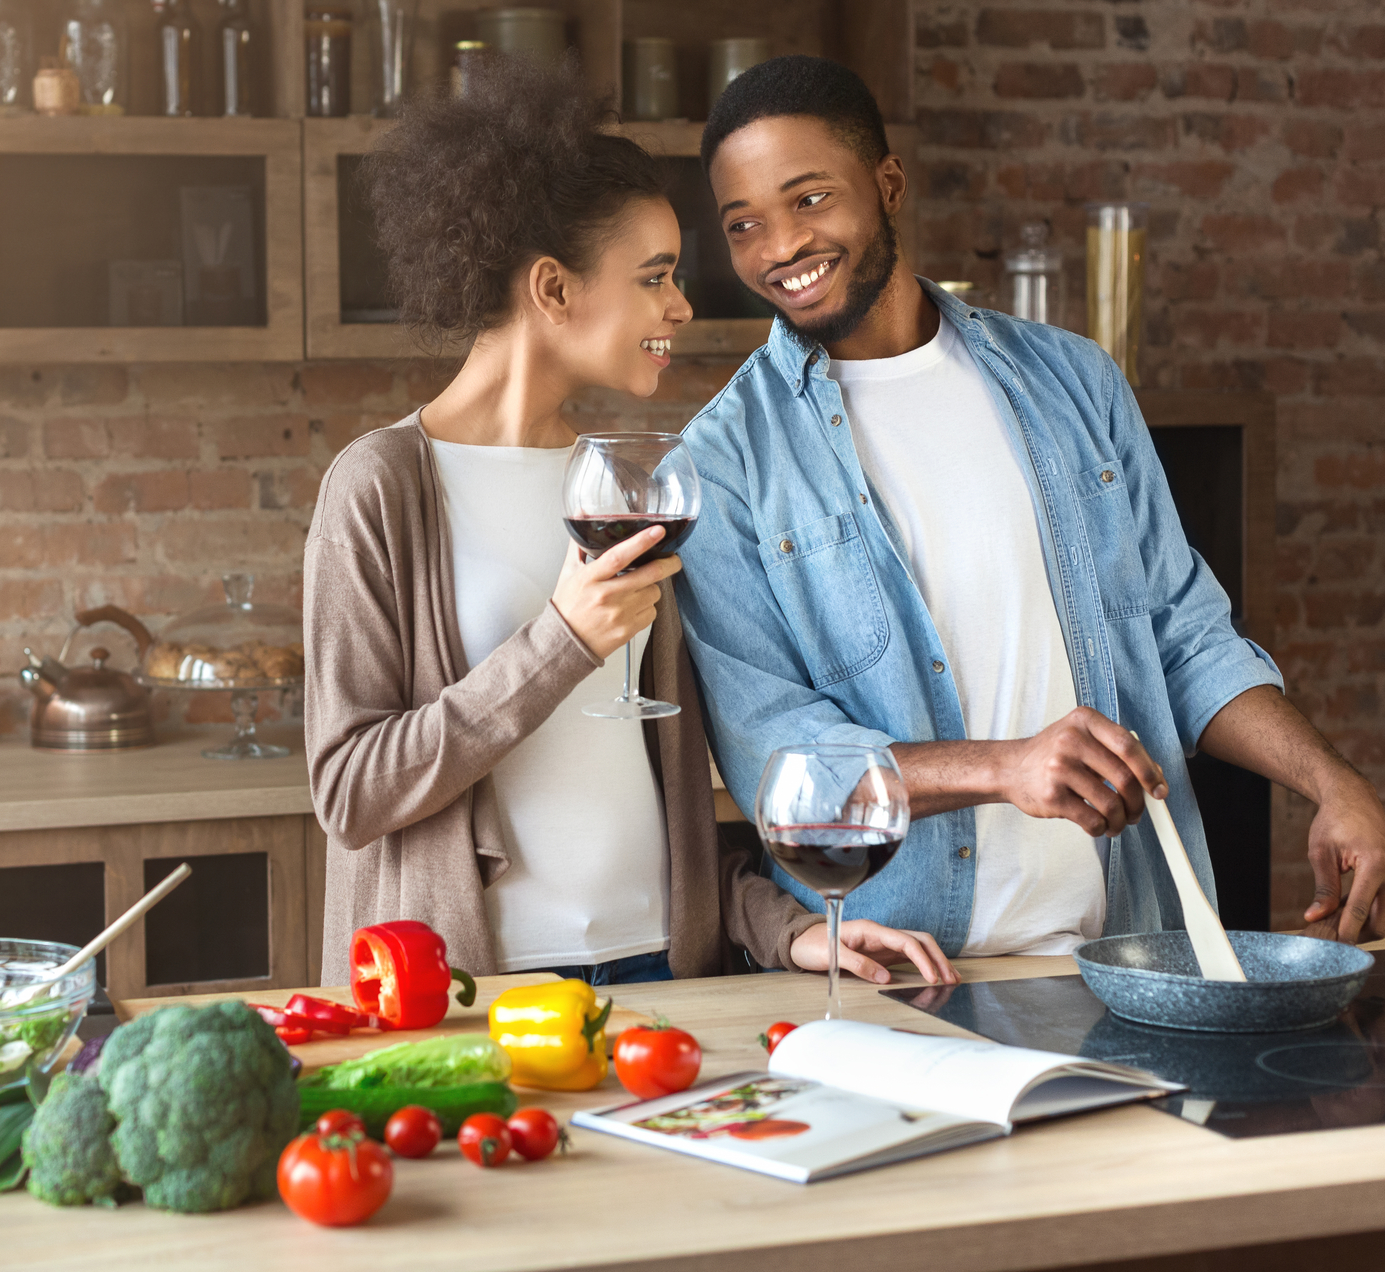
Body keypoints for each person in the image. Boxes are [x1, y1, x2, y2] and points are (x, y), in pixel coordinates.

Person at [676, 56, 1385, 956]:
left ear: (888, 184)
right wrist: (1008, 765)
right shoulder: (721, 464)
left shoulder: (1075, 382)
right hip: (901, 976)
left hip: (1133, 956)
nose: (779, 246)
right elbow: (781, 769)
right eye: (743, 223)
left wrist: (1333, 782)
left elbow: (1183, 635)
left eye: (809, 199)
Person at [303, 57, 958, 990]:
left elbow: (673, 799)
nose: (682, 307)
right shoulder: (379, 488)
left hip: (661, 971)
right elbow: (351, 792)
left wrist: (789, 930)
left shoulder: (631, 487)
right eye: (654, 277)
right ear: (554, 291)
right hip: (478, 989)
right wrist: (562, 640)